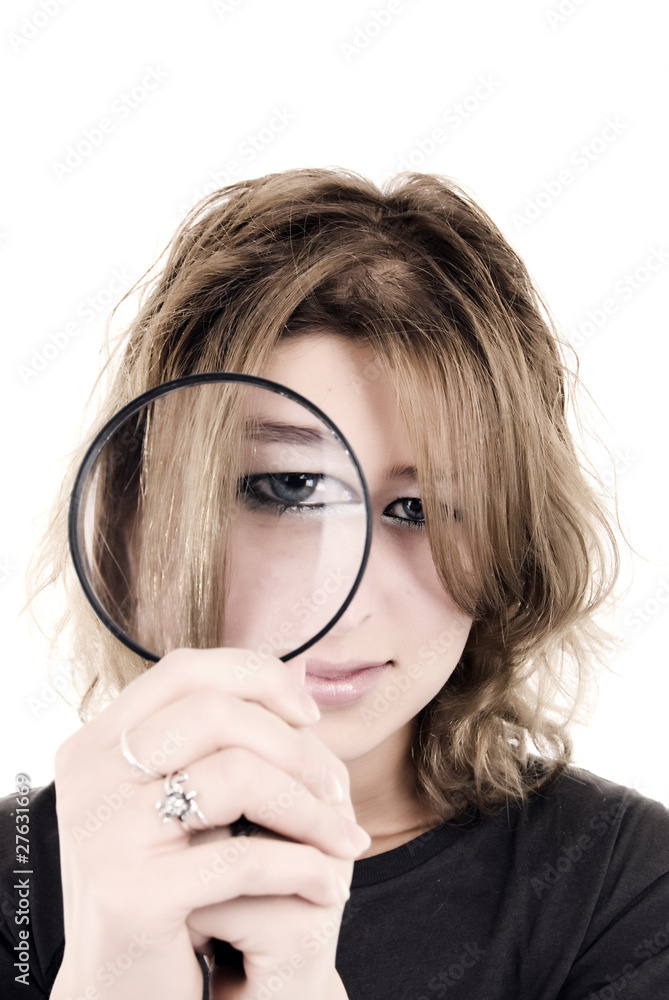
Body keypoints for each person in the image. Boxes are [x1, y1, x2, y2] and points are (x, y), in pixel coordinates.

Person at [1, 167, 667, 1000]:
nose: (345, 599)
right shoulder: (15, 888)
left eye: (422, 506)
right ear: (141, 516)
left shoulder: (623, 889)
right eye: (287, 487)